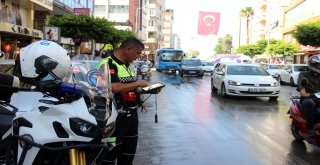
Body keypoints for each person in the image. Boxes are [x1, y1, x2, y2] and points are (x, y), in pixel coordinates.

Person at [96, 38, 148, 165]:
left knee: (128, 154)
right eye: (137, 53)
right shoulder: (107, 63)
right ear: (128, 49)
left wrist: (141, 96)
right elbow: (113, 87)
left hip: (131, 117)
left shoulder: (128, 65)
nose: (138, 56)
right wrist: (137, 83)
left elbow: (130, 87)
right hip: (114, 119)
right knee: (109, 153)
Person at [297, 54, 320, 137]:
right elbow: (300, 85)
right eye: (317, 64)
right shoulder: (303, 74)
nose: (319, 66)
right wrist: (303, 91)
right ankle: (310, 128)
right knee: (310, 103)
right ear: (312, 64)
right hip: (308, 97)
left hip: (319, 97)